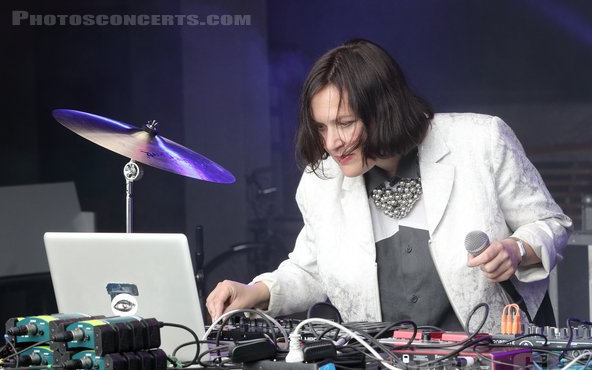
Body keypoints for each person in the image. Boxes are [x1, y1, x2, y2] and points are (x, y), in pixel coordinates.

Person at [206, 38, 572, 332]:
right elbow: (310, 269)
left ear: (384, 110)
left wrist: (517, 249)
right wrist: (256, 292)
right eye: (321, 127)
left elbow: (553, 226)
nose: (331, 142)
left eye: (345, 123)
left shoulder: (481, 140)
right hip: (388, 369)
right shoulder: (321, 181)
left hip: (498, 358)